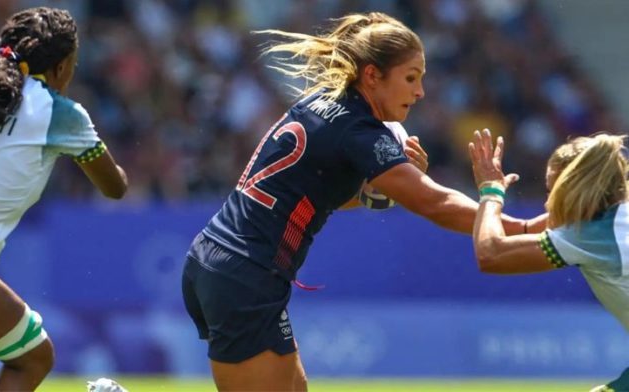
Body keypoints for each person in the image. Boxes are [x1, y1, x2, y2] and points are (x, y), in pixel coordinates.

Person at [181, 12, 528, 391]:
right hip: (246, 276)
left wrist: (380, 188)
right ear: (372, 75)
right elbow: (436, 203)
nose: (420, 92)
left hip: (220, 260)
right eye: (411, 78)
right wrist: (523, 226)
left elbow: (319, 194)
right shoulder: (360, 132)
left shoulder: (320, 103)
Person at [0, 2, 128, 391]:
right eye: (72, 64)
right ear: (60, 68)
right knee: (30, 361)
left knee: (33, 356)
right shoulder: (60, 113)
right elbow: (114, 188)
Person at [468, 130, 628, 392]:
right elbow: (529, 229)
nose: (547, 202)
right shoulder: (613, 216)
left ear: (575, 188)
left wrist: (491, 192)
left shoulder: (589, 235)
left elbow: (491, 254)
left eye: (553, 189)